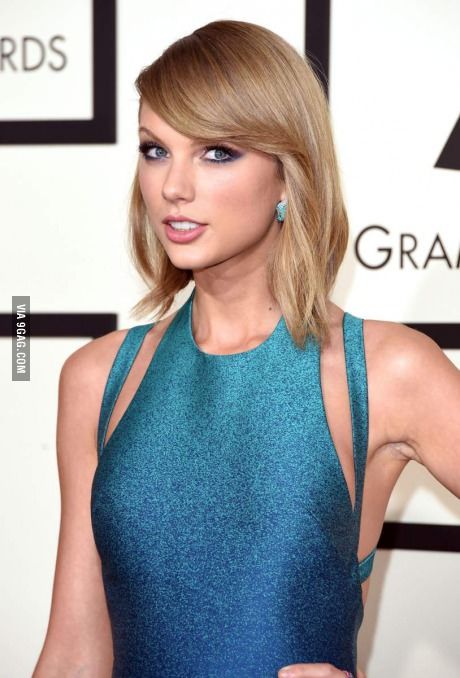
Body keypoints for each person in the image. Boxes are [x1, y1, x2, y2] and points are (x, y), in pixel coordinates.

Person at [32, 19, 460, 678]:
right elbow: (72, 657)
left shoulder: (385, 371)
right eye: (155, 149)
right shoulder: (96, 378)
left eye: (217, 152)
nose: (173, 186)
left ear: (289, 175)